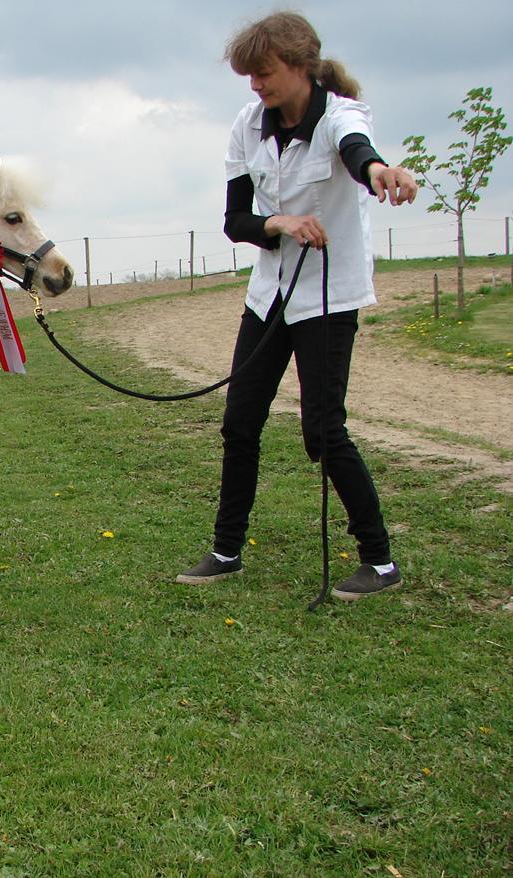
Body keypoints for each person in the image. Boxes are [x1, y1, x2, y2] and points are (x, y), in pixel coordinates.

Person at [176, 12, 418, 601]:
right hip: (270, 295)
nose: (255, 86)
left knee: (322, 432)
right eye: (249, 77)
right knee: (239, 423)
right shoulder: (247, 126)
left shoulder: (339, 115)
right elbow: (237, 221)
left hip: (328, 298)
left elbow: (360, 152)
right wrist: (277, 223)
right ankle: (226, 551)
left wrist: (381, 172)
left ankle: (379, 561)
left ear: (300, 65)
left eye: (264, 73)